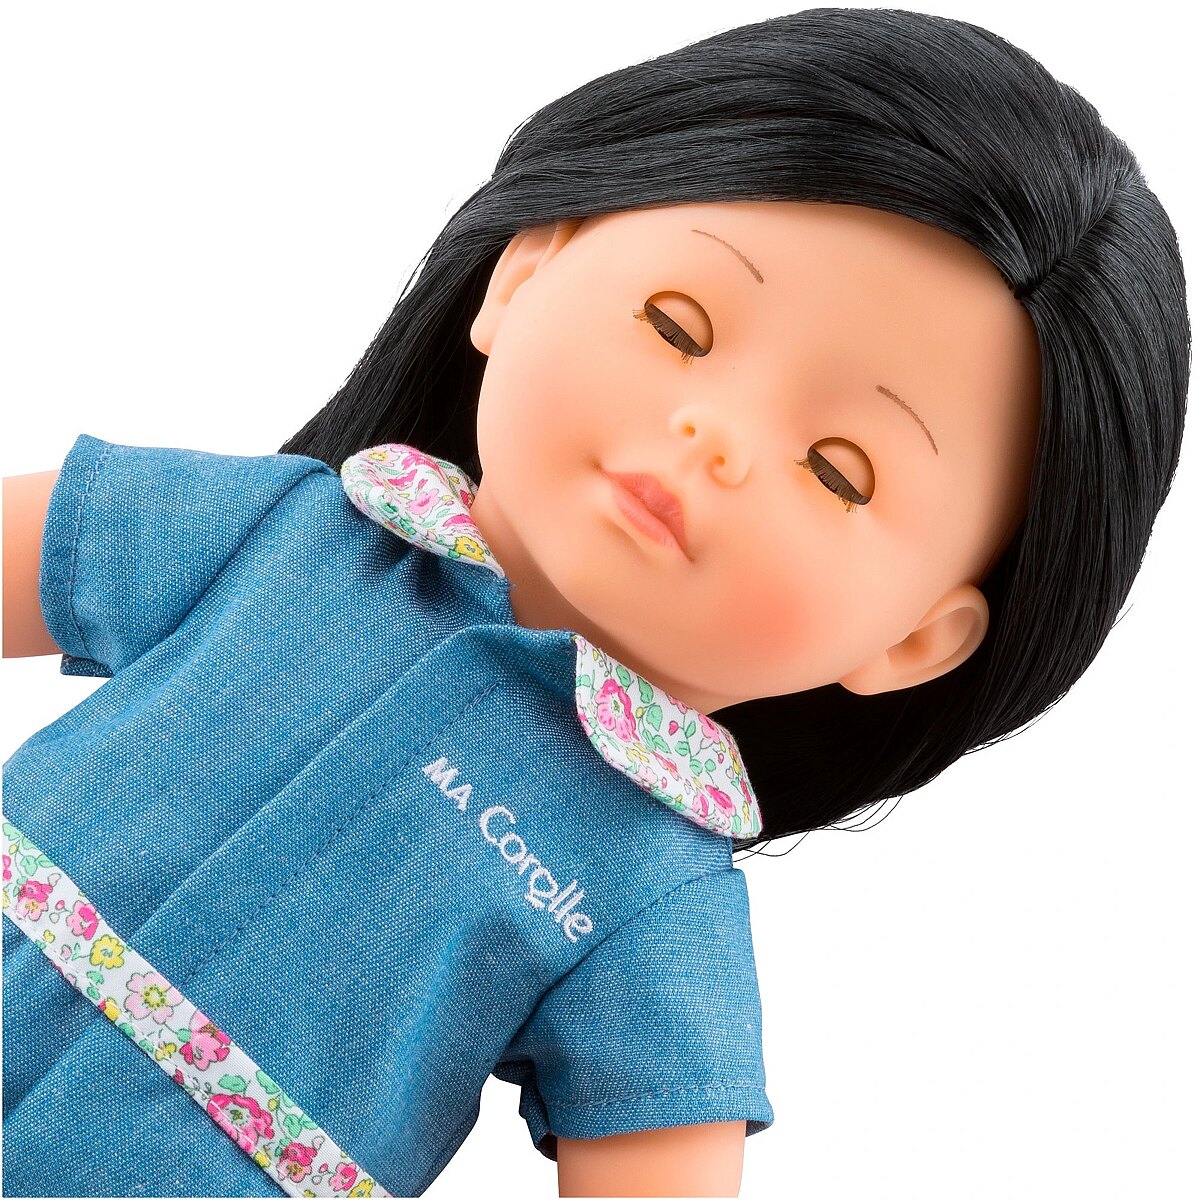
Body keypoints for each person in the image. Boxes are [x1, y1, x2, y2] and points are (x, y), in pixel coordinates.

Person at [1, 8, 1188, 1198]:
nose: (715, 436)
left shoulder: (648, 891)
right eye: (679, 324)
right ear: (523, 275)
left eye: (839, 471)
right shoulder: (276, 534)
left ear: (917, 637)